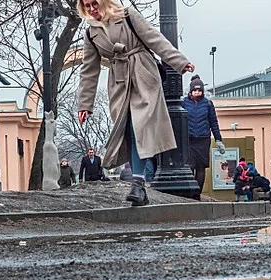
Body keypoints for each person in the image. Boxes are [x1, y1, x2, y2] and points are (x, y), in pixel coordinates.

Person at [77, 0, 195, 206]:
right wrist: (85, 105)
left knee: (137, 125)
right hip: (119, 82)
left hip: (143, 74)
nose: (91, 9)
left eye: (94, 3)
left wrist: (179, 61)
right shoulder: (90, 34)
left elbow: (154, 39)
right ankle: (140, 188)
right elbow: (89, 70)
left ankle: (137, 184)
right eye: (86, 6)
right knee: (128, 131)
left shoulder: (128, 15)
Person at [182, 75, 225, 192]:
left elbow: (213, 122)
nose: (197, 92)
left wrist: (218, 139)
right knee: (190, 166)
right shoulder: (184, 103)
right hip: (189, 139)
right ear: (190, 91)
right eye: (195, 90)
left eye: (199, 90)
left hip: (203, 139)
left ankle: (197, 192)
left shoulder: (208, 104)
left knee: (201, 167)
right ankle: (190, 191)